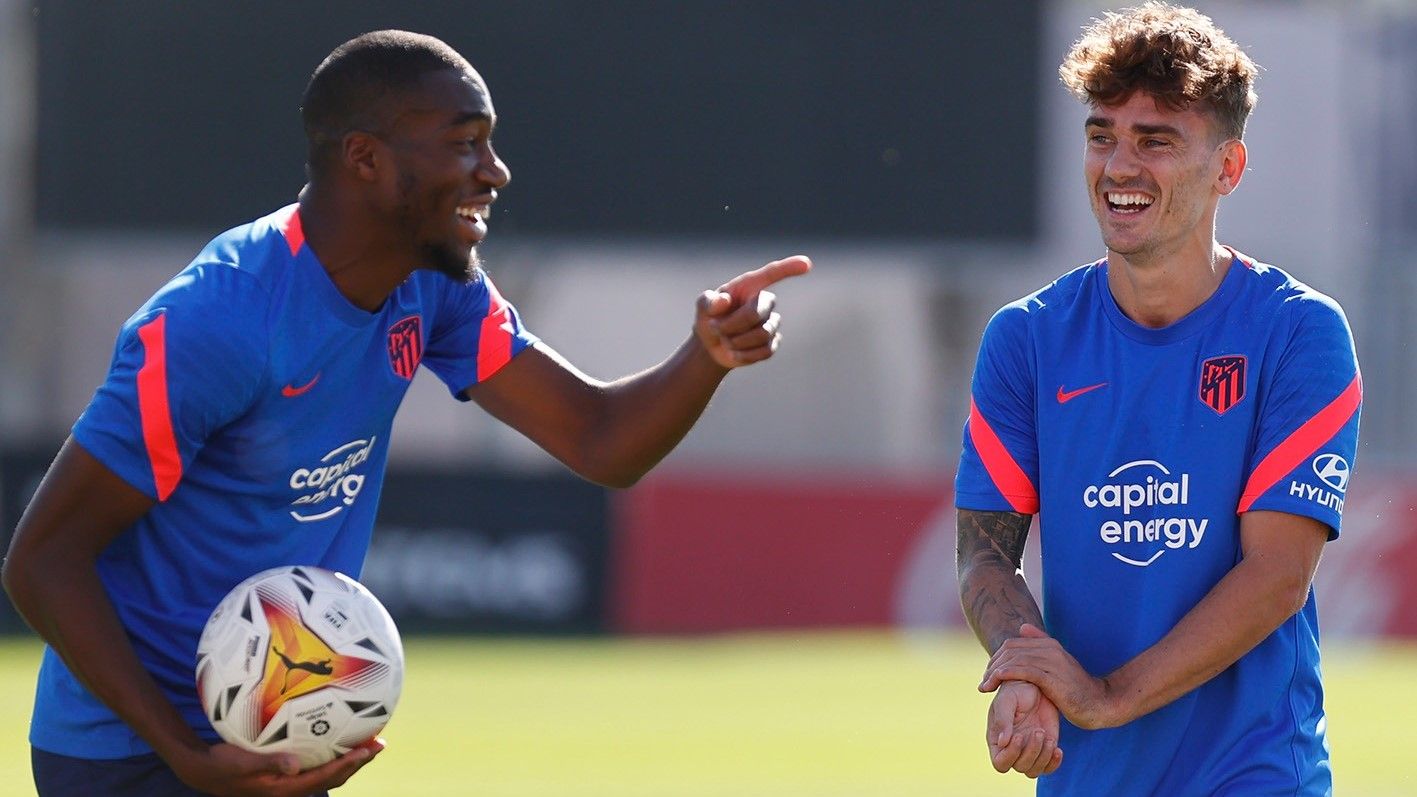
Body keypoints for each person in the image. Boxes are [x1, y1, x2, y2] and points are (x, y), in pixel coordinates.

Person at [2, 30, 810, 797]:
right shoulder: (220, 322)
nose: (494, 171)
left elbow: (600, 441)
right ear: (365, 159)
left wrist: (706, 354)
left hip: (276, 734)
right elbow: (42, 560)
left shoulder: (434, 285)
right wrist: (186, 753)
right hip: (125, 756)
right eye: (466, 142)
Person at [954, 3, 1360, 795]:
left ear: (1227, 168)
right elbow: (983, 552)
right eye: (1101, 134)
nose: (1118, 166)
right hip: (1084, 776)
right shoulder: (1025, 339)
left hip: (1254, 775)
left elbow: (1277, 573)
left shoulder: (1298, 332)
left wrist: (1105, 697)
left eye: (1156, 141)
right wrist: (1024, 667)